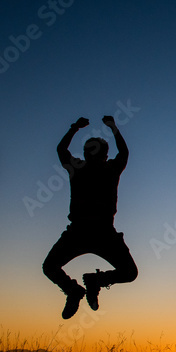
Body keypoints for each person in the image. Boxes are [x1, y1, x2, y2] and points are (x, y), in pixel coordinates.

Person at [43, 116, 138, 319]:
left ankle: (93, 282)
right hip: (81, 231)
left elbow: (62, 150)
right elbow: (123, 152)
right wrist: (111, 128)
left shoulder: (96, 169)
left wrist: (74, 128)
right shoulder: (86, 168)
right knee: (49, 266)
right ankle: (75, 290)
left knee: (130, 273)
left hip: (101, 232)